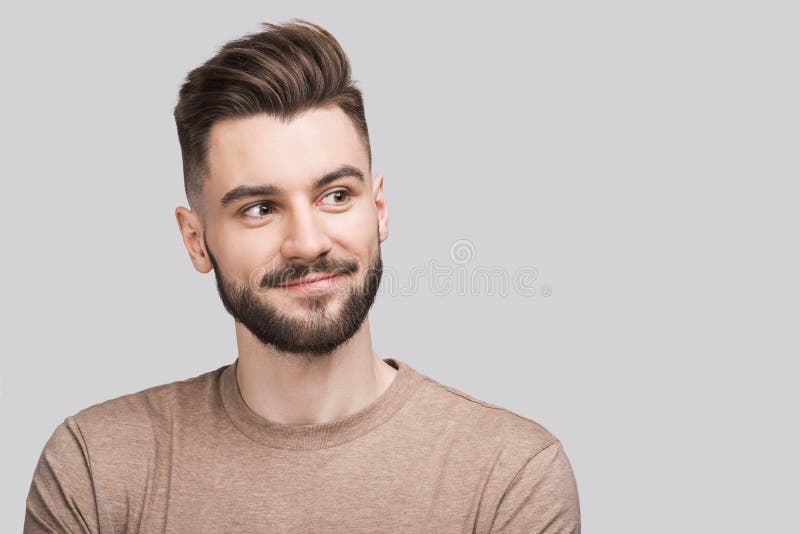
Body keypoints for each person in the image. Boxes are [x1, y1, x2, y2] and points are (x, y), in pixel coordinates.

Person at [24, 19, 580, 533]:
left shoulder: (509, 475)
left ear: (379, 210)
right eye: (260, 208)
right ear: (196, 240)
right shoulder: (96, 469)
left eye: (336, 196)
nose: (308, 243)